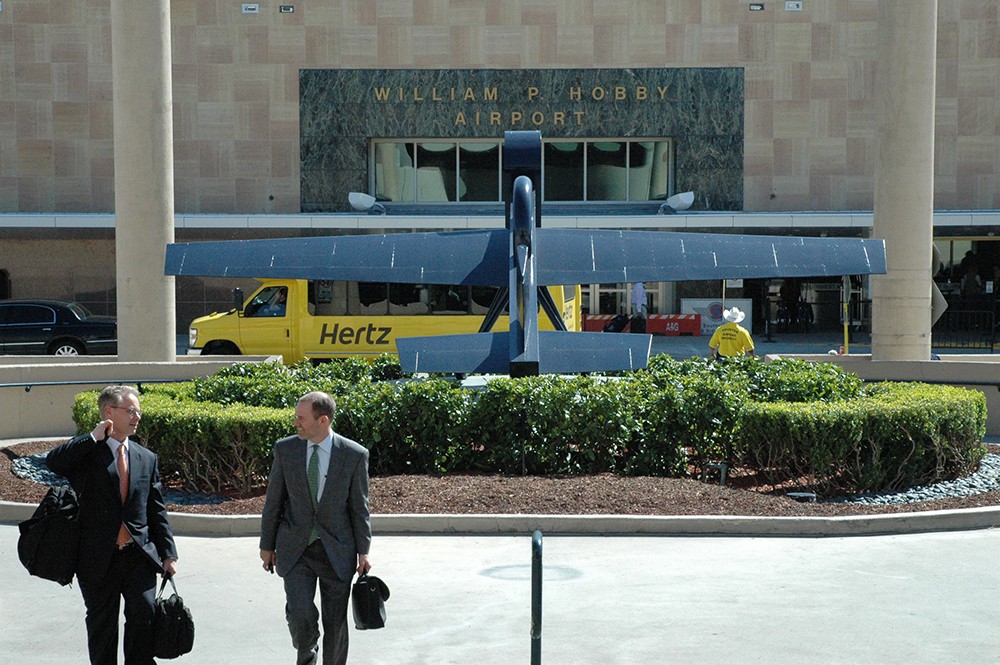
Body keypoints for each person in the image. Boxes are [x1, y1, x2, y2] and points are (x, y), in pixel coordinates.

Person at [46, 385, 178, 665]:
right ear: (109, 412)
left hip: (138, 556)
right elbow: (54, 462)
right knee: (102, 626)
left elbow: (156, 508)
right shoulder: (88, 454)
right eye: (131, 411)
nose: (137, 416)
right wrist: (92, 437)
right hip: (96, 558)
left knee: (144, 614)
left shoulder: (146, 457)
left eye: (139, 411)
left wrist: (168, 554)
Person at [260, 391, 372, 665]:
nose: (296, 423)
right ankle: (307, 653)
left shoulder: (354, 455)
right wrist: (267, 544)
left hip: (337, 550)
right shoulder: (285, 449)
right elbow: (274, 499)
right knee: (300, 613)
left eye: (301, 418)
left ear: (322, 420)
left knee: (335, 623)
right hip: (296, 549)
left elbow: (360, 507)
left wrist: (363, 551)